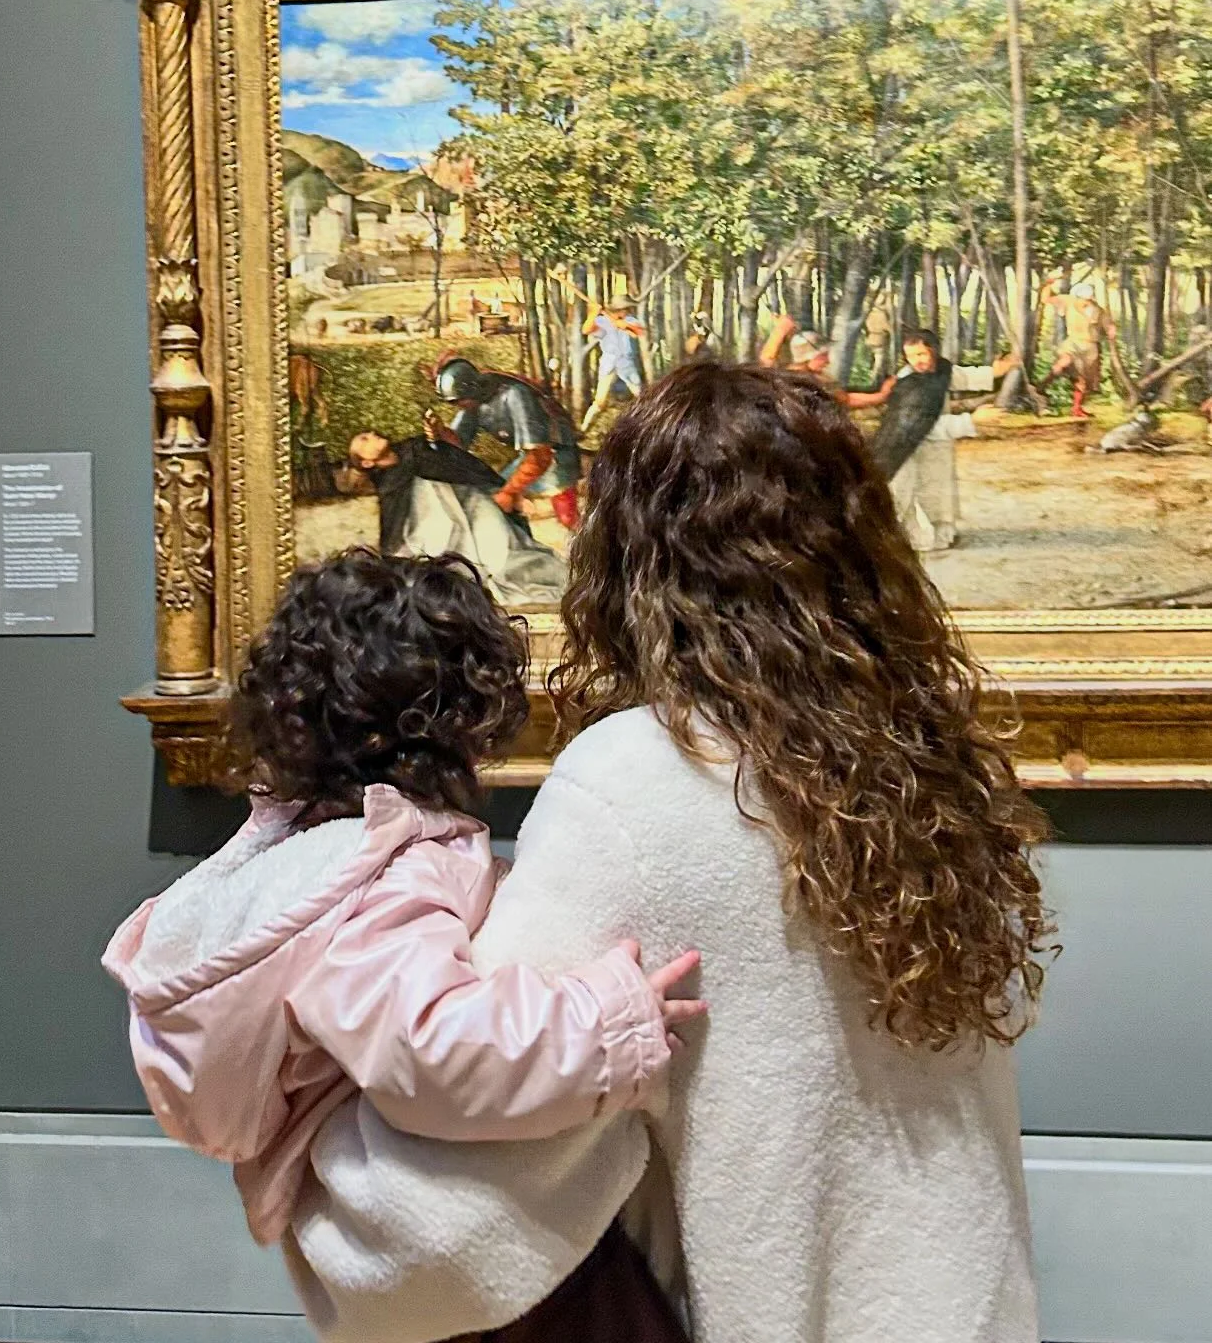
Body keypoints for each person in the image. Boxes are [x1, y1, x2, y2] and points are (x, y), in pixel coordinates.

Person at [273, 362, 1049, 1343]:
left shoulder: (639, 777)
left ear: (627, 553)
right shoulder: (930, 754)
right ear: (858, 540)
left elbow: (461, 1178)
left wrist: (308, 1165)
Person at [103, 550, 705, 1284]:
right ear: (463, 713)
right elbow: (429, 1046)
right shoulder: (396, 868)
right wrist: (609, 1023)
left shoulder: (309, 847)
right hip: (438, 1228)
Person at [347, 428, 568, 605]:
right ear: (367, 463)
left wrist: (439, 436)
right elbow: (395, 532)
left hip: (474, 506)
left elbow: (464, 467)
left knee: (508, 554)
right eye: (364, 440)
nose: (373, 435)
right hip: (445, 536)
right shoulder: (390, 487)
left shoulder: (416, 447)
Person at [849, 328, 1017, 554]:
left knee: (940, 493)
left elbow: (964, 376)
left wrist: (996, 372)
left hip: (937, 448)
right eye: (911, 356)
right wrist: (972, 420)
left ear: (933, 351)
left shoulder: (942, 371)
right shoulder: (910, 384)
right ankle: (903, 541)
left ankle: (941, 536)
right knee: (903, 494)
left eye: (921, 354)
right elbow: (922, 427)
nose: (917, 361)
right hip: (903, 450)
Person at [430, 353, 583, 530]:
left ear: (471, 391)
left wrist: (509, 492)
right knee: (493, 494)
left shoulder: (515, 395)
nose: (457, 406)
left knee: (567, 518)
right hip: (533, 457)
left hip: (558, 455)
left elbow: (541, 456)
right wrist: (440, 432)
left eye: (459, 401)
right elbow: (458, 445)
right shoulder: (473, 405)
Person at [1037, 277, 1115, 419]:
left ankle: (1077, 409)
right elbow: (1046, 299)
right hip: (1074, 343)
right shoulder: (1068, 301)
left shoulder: (1099, 310)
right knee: (1064, 362)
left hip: (1091, 348)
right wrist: (1048, 284)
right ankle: (1042, 386)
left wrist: (1111, 330)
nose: (1087, 300)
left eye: (1089, 298)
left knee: (1082, 381)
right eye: (1085, 298)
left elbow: (1108, 325)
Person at [580, 297, 646, 435]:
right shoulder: (603, 321)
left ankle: (649, 424)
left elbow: (639, 332)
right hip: (609, 363)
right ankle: (583, 429)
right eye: (623, 309)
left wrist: (623, 325)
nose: (626, 311)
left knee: (641, 396)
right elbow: (586, 330)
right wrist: (594, 313)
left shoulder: (631, 321)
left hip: (627, 364)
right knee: (600, 402)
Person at [758, 308, 832, 377]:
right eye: (822, 355)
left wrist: (782, 329)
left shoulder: (821, 378)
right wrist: (781, 330)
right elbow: (766, 362)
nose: (827, 360)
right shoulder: (790, 378)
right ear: (807, 358)